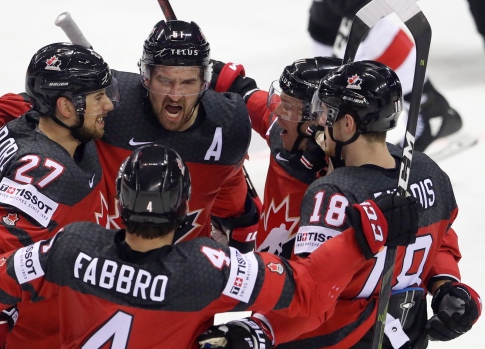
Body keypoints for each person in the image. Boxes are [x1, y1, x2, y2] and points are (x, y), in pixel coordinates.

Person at [0, 144, 420, 349]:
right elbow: (305, 293)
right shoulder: (211, 267)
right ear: (185, 209)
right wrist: (362, 235)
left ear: (121, 200)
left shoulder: (69, 245)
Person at [202, 61, 482, 348]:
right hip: (300, 313)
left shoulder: (338, 192)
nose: (277, 113)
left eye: (315, 111)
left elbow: (314, 293)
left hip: (323, 331)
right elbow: (247, 93)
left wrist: (260, 330)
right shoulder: (294, 136)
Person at [0, 19, 260, 253]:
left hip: (178, 285)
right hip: (100, 275)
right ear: (146, 77)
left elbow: (230, 192)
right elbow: (34, 103)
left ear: (205, 83)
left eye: (187, 83)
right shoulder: (115, 102)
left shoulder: (229, 124)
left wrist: (242, 233)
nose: (174, 95)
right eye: (164, 81)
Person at [0, 42, 120, 349]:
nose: (109, 105)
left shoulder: (30, 120)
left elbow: (15, 102)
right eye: (98, 97)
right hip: (39, 333)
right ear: (66, 107)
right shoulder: (43, 178)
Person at [210, 57, 341, 259]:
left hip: (309, 285)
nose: (277, 111)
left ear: (319, 119)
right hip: (266, 277)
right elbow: (240, 89)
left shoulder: (349, 179)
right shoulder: (281, 130)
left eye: (287, 107)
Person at [307, 0, 464, 153]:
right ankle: (429, 104)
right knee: (330, 19)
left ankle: (428, 105)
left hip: (352, 22)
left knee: (362, 12)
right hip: (328, 24)